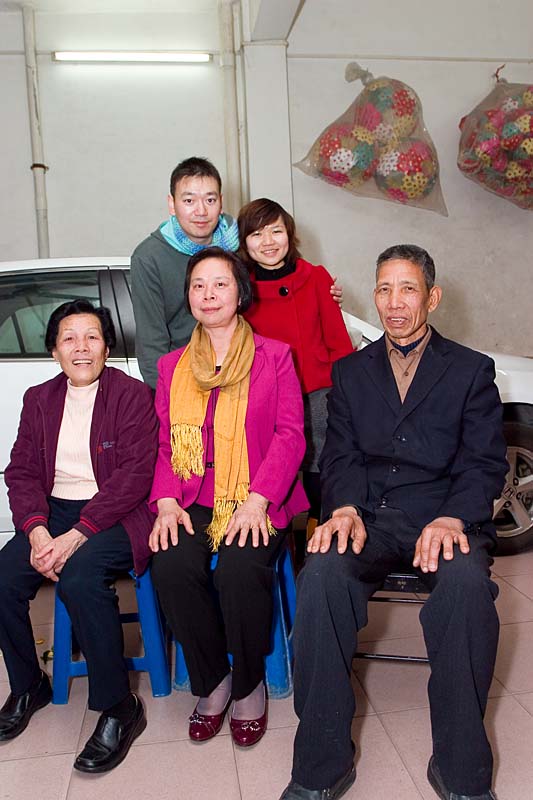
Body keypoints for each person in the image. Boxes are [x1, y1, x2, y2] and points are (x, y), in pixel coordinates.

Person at [280, 245, 508, 800]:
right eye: (384, 289)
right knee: (321, 577)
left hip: (445, 518)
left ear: (433, 297)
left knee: (466, 590)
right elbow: (340, 456)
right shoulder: (351, 372)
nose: (394, 302)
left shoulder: (471, 370)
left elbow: (485, 462)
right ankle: (321, 767)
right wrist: (343, 508)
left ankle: (460, 771)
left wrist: (453, 517)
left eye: (408, 289)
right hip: (371, 517)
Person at [148, 246, 307, 747]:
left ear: (240, 293)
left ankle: (250, 682)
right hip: (192, 495)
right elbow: (164, 443)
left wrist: (259, 499)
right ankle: (213, 678)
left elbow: (290, 435)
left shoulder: (274, 356)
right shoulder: (172, 366)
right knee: (170, 563)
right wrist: (166, 501)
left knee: (239, 568)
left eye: (220, 284)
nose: (208, 294)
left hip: (257, 494)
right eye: (198, 285)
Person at [0, 299, 157, 773]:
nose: (81, 347)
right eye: (69, 338)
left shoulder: (132, 395)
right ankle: (29, 685)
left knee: (80, 578)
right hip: (53, 513)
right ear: (54, 351)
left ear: (107, 347)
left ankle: (119, 707)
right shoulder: (38, 399)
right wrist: (36, 529)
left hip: (118, 513)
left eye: (92, 337)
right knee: (3, 578)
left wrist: (77, 534)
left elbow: (135, 476)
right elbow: (21, 472)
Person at [131, 157, 342, 389]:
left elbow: (279, 274)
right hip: (190, 378)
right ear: (172, 204)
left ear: (221, 202)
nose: (201, 211)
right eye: (189, 200)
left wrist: (322, 289)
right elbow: (151, 345)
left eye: (210, 200)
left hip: (245, 373)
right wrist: (170, 396)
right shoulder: (149, 258)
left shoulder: (237, 241)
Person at [238, 198, 353, 531]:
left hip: (317, 391)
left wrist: (345, 394)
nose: (268, 242)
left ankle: (319, 537)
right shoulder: (240, 288)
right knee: (273, 474)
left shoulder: (315, 278)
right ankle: (278, 541)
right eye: (257, 234)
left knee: (321, 471)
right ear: (245, 242)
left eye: (276, 231)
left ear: (290, 234)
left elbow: (339, 342)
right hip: (266, 395)